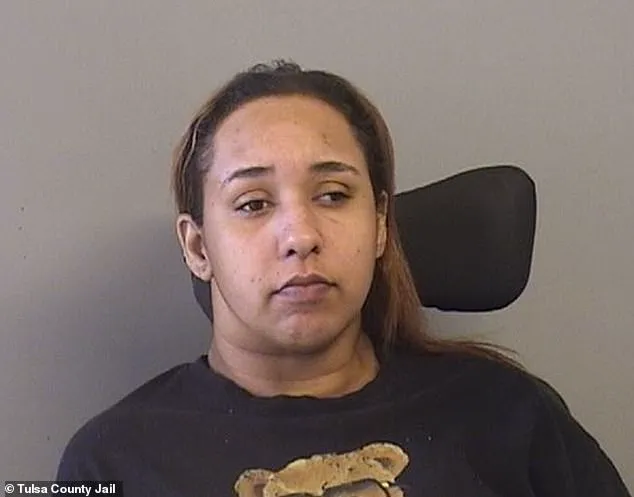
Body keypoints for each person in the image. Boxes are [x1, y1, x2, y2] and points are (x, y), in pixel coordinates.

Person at [57, 61, 630, 496]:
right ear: (198, 247)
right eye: (253, 204)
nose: (301, 236)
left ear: (379, 226)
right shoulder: (111, 460)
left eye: (333, 195)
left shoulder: (507, 415)